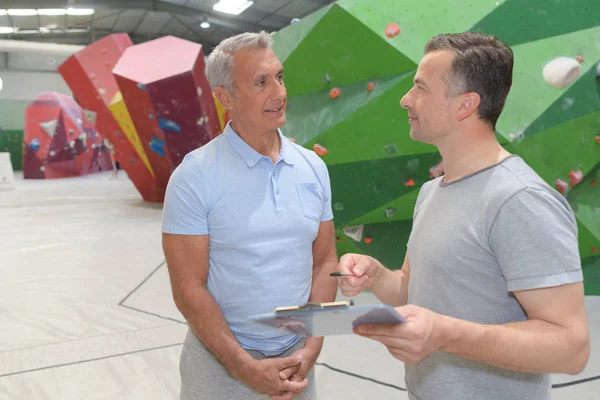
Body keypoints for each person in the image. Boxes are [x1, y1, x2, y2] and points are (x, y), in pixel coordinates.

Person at [337, 32, 590, 400]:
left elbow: (571, 348)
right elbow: (411, 289)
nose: (406, 99)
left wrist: (446, 334)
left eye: (421, 88)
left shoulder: (519, 199)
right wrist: (377, 275)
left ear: (465, 105)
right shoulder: (431, 192)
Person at [161, 31, 338, 400]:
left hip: (297, 361)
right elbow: (188, 289)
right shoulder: (194, 176)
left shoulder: (313, 167)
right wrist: (244, 367)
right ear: (226, 96)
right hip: (220, 366)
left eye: (280, 77)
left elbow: (324, 262)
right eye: (261, 82)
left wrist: (312, 347)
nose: (279, 92)